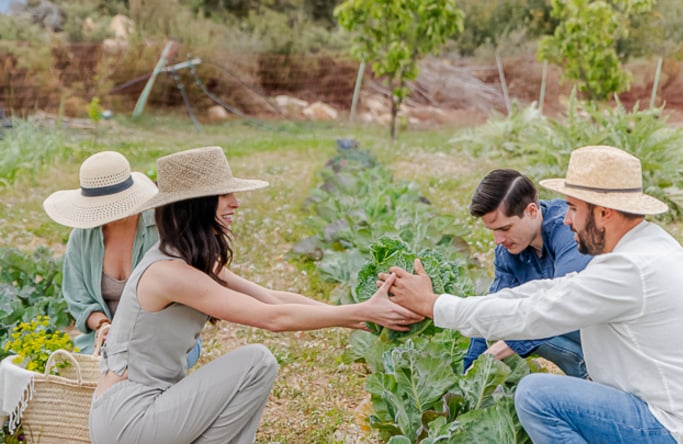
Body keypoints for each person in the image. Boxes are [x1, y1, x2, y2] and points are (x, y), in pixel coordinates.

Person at [381, 145, 683, 443]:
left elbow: (539, 312)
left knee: (537, 395)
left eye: (574, 208)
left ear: (604, 213)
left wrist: (434, 306)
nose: (567, 218)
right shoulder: (642, 249)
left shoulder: (629, 269)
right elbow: (545, 292)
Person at [88, 146, 422, 444]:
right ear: (196, 205)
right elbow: (272, 319)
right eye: (223, 195)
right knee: (257, 362)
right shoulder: (168, 273)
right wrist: (359, 312)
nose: (235, 202)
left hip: (152, 406)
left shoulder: (190, 259)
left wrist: (359, 315)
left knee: (257, 372)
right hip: (128, 419)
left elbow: (271, 299)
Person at [42, 151, 202, 367]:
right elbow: (78, 300)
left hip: (163, 338)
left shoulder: (162, 229)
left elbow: (185, 291)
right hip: (105, 343)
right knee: (102, 373)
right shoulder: (82, 237)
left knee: (132, 374)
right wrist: (103, 326)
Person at [463, 169, 591, 377]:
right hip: (576, 335)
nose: (498, 240)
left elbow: (566, 300)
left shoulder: (568, 231)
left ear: (532, 210)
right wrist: (469, 371)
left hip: (608, 338)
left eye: (505, 228)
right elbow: (492, 310)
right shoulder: (507, 252)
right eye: (493, 231)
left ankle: (594, 375)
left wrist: (501, 348)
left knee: (530, 321)